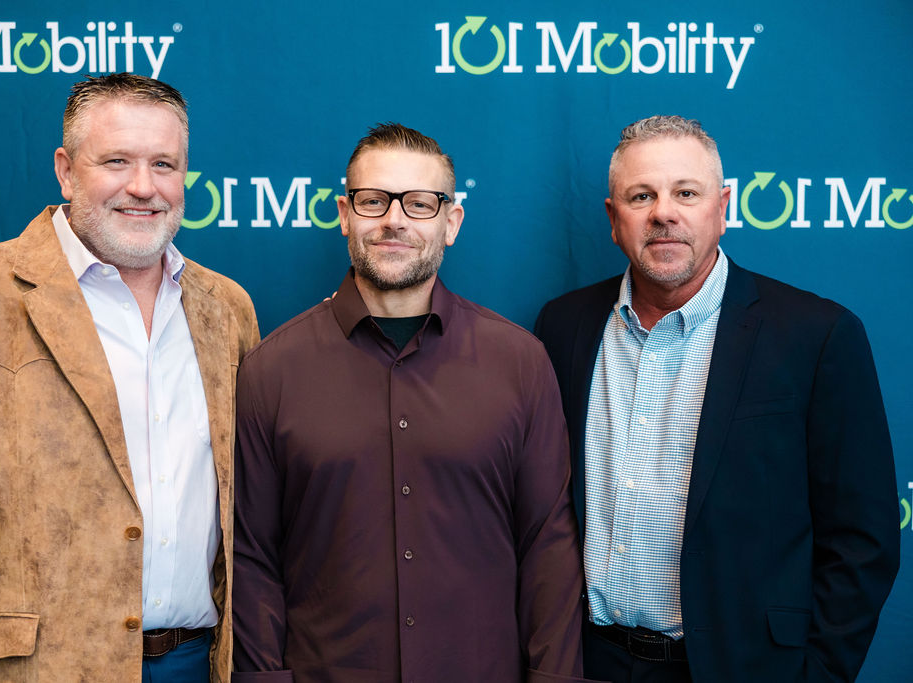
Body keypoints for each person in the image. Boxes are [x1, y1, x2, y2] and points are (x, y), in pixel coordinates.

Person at [0, 73, 259, 681]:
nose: (144, 187)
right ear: (65, 170)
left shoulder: (227, 309)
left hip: (197, 663)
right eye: (117, 161)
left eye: (164, 164)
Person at [534, 115, 899, 683]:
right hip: (591, 662)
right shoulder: (563, 327)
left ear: (723, 207)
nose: (663, 212)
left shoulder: (816, 335)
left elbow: (863, 537)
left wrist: (818, 673)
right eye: (641, 195)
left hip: (744, 668)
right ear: (613, 219)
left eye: (686, 192)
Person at [232, 123, 594, 682]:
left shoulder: (520, 363)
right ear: (345, 214)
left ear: (451, 223)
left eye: (419, 203)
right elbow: (253, 556)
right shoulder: (271, 369)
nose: (394, 220)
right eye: (373, 201)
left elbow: (548, 544)